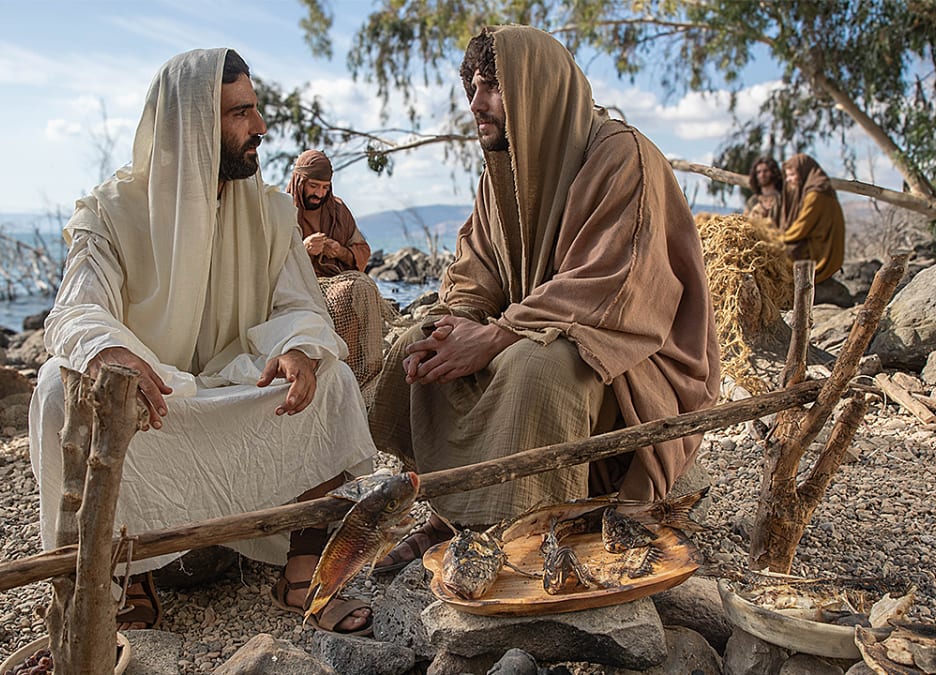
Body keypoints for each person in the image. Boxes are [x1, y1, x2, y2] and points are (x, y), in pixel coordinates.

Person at [28, 48, 375, 635]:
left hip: (235, 391)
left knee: (331, 379)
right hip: (155, 403)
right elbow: (75, 311)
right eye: (240, 113)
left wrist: (296, 347)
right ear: (190, 123)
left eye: (255, 109)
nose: (260, 127)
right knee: (60, 390)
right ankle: (124, 579)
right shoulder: (112, 212)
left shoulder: (270, 211)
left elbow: (299, 305)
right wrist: (113, 353)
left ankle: (305, 568)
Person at [368, 25, 720, 572]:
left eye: (492, 86)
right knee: (424, 342)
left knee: (538, 368)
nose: (476, 104)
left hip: (634, 359)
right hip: (540, 327)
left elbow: (614, 284)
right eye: (472, 88)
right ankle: (450, 515)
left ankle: (530, 534)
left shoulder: (623, 156)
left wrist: (498, 335)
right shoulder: (502, 172)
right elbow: (476, 271)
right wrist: (458, 322)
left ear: (538, 88)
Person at [286, 150, 387, 391]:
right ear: (300, 182)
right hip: (298, 286)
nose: (320, 194)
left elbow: (361, 249)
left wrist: (340, 251)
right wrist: (303, 250)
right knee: (343, 297)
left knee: (359, 289)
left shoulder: (338, 210)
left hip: (337, 280)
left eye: (325, 187)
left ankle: (363, 374)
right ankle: (330, 379)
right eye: (313, 186)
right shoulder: (283, 210)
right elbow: (270, 260)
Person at [779, 153, 845, 284]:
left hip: (820, 250)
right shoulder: (816, 189)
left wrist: (777, 239)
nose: (788, 180)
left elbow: (801, 227)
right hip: (815, 241)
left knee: (779, 254)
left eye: (792, 175)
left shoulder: (815, 195)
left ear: (803, 172)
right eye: (787, 176)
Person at [744, 156, 783, 227]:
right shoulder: (753, 201)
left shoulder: (782, 199)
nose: (762, 175)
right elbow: (745, 224)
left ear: (773, 172)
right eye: (758, 172)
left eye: (766, 171)